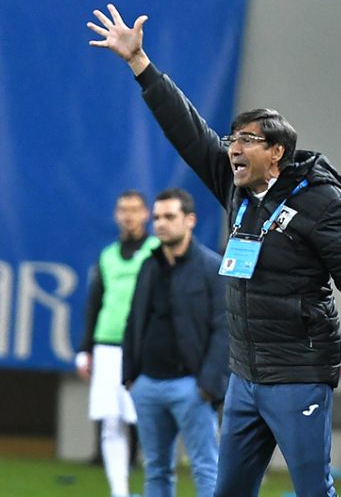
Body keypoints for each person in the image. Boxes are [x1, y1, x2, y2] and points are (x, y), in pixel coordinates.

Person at [87, 6, 341, 496]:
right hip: (245, 376)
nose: (233, 147)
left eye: (247, 139)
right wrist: (140, 65)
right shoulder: (236, 189)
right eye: (233, 138)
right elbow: (187, 129)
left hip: (298, 374)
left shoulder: (320, 204)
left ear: (277, 152)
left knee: (313, 490)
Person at [122, 188, 229, 497]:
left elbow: (225, 329)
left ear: (190, 220)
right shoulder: (148, 265)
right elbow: (134, 321)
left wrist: (208, 385)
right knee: (155, 470)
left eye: (169, 216)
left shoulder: (211, 268)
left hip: (191, 388)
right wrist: (130, 376)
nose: (161, 223)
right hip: (147, 385)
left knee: (206, 468)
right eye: (157, 217)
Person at [75, 190, 160, 497]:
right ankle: (119, 492)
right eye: (123, 209)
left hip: (143, 346)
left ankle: (154, 489)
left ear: (146, 214)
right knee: (111, 423)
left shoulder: (156, 251)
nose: (128, 215)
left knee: (147, 421)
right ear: (116, 215)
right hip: (107, 346)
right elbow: (94, 303)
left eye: (135, 209)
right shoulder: (108, 255)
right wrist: (85, 349)